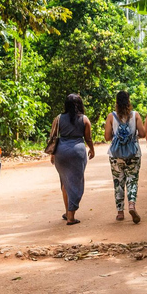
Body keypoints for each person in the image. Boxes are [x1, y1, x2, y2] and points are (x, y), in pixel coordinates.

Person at [51, 94, 94, 225]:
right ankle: (71, 216)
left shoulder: (58, 118)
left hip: (61, 152)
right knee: (76, 182)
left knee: (65, 182)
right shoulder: (84, 119)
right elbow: (88, 138)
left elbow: (52, 137)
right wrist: (92, 149)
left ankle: (67, 211)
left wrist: (52, 154)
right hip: (77, 152)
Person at [104, 91, 146, 223]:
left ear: (116, 102)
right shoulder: (135, 115)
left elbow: (106, 137)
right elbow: (143, 133)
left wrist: (117, 137)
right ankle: (132, 204)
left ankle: (120, 212)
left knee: (118, 182)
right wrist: (134, 137)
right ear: (129, 101)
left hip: (116, 155)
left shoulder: (111, 116)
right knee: (132, 180)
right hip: (133, 153)